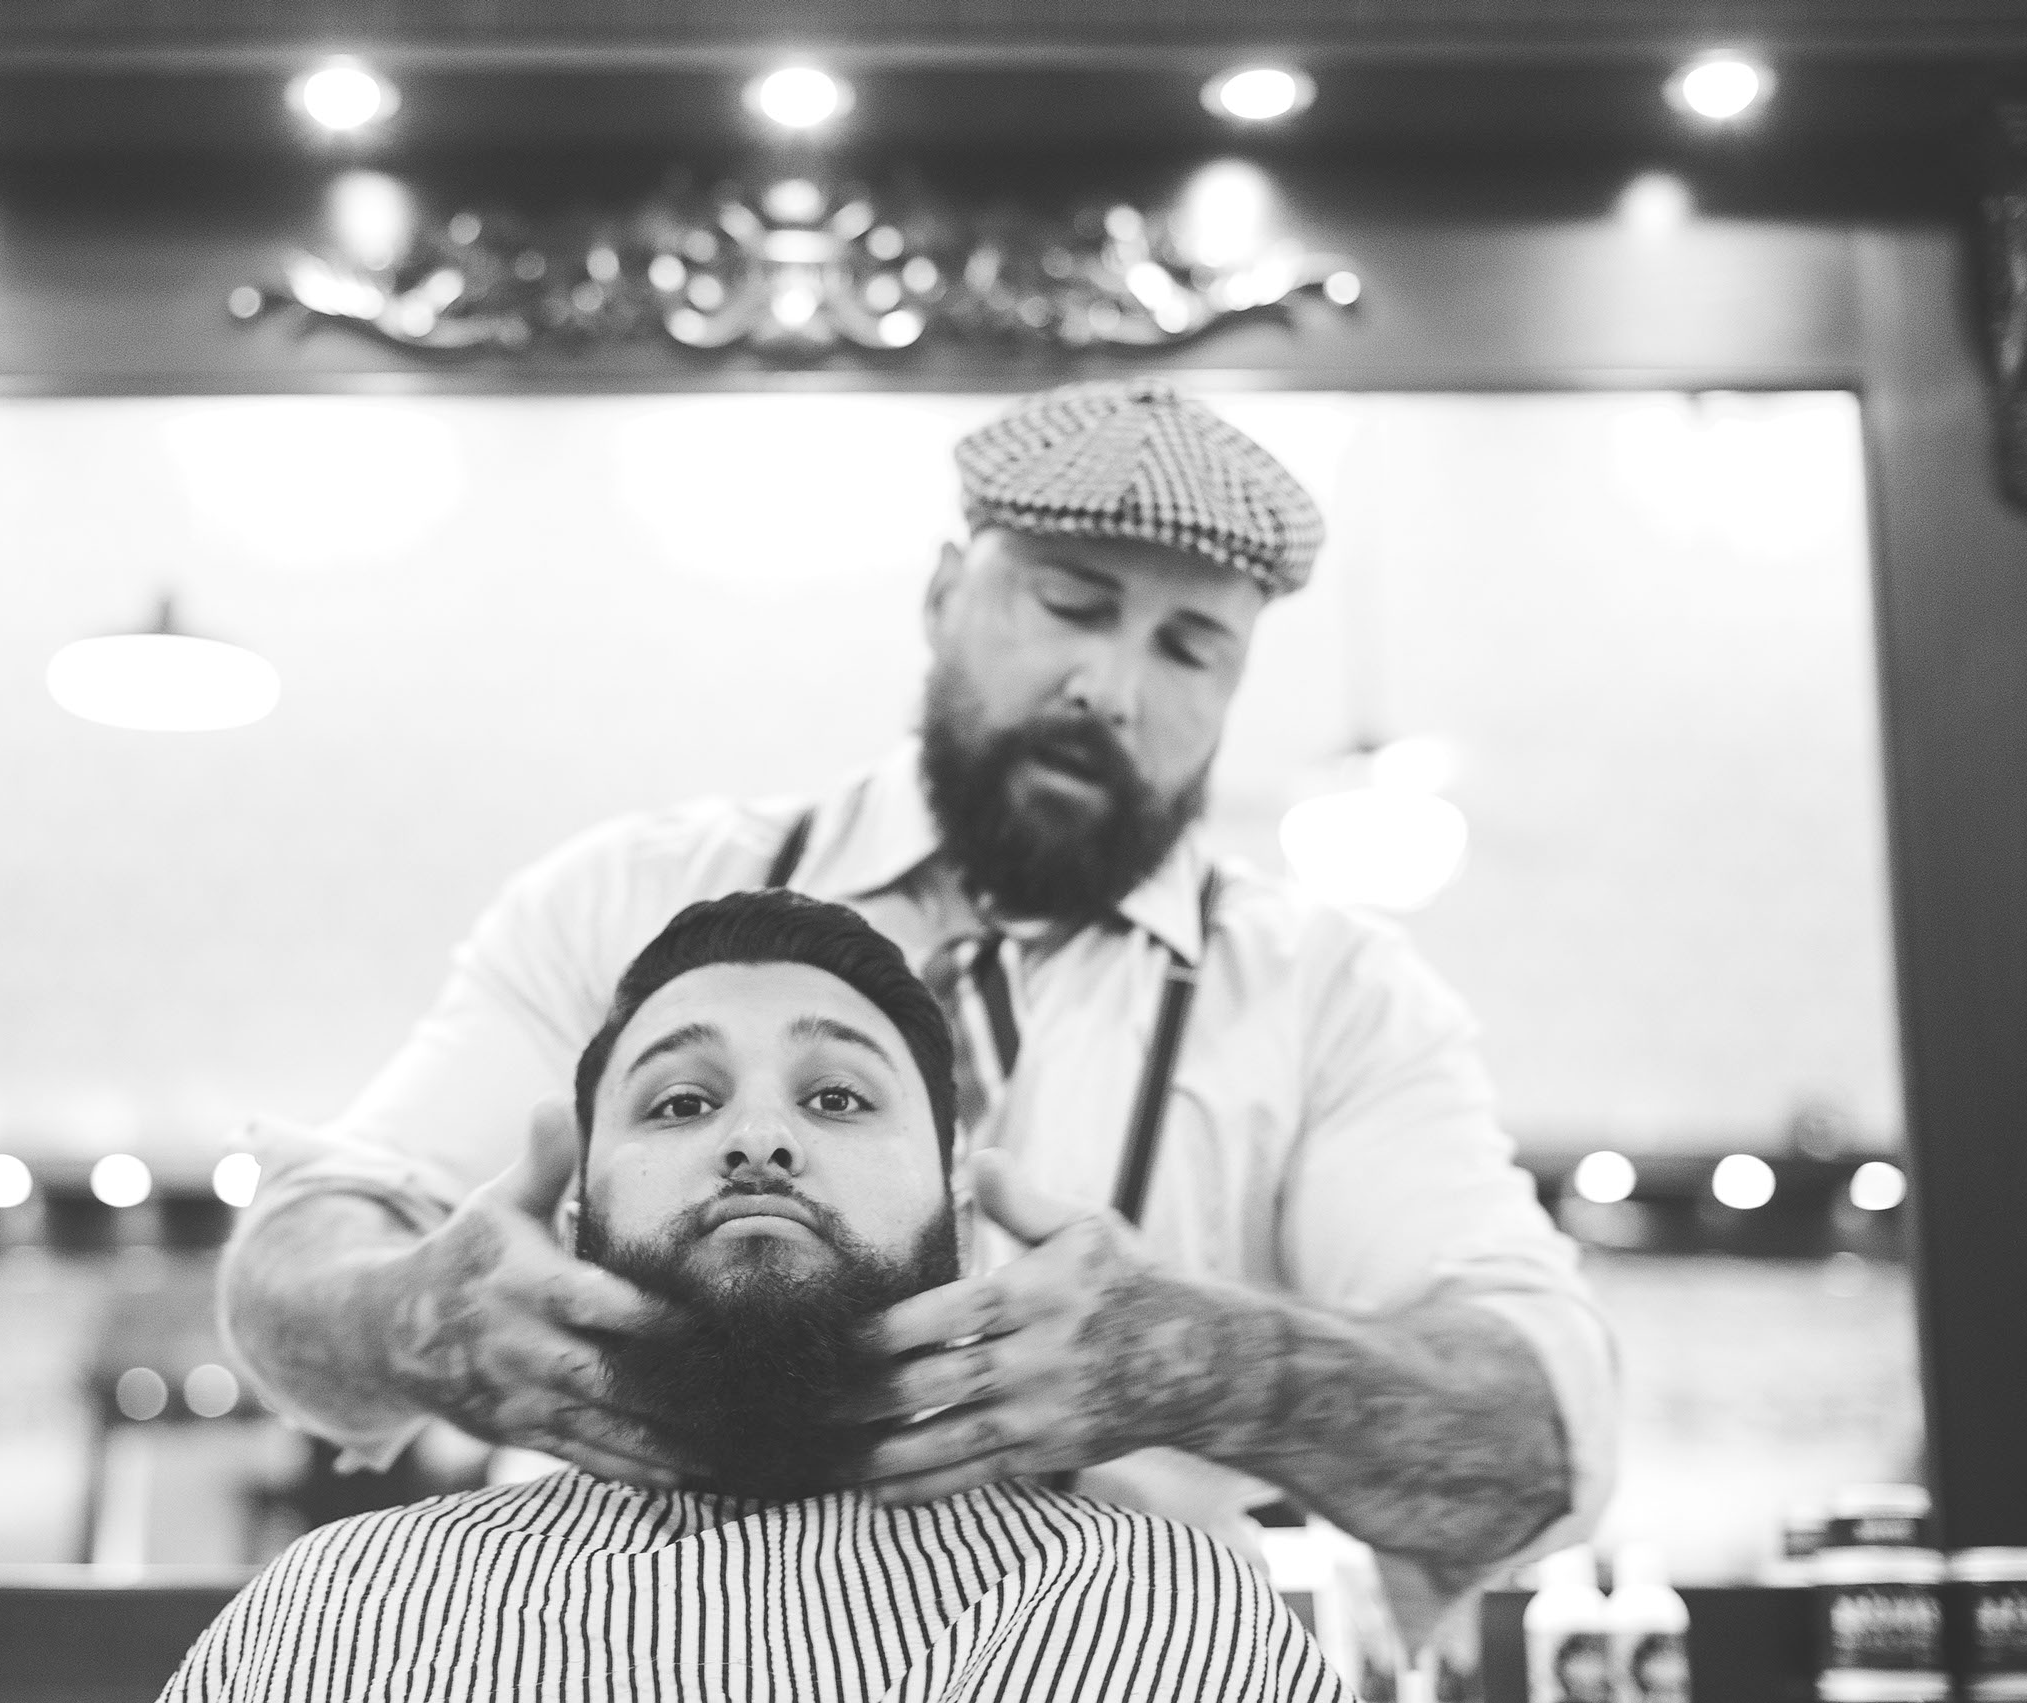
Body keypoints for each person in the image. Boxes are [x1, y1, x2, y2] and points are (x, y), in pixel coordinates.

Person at [222, 376, 1615, 1637]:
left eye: (1190, 647)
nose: (1110, 688)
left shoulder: (1332, 1001)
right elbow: (293, 1270)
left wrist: (1210, 1364)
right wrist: (410, 1313)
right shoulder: (628, 899)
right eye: (1071, 603)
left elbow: (1541, 1449)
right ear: (946, 592)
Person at [162, 892, 1360, 1703]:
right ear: (575, 1215)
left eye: (837, 1096)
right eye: (680, 1101)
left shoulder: (1153, 1612)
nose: (758, 1138)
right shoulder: (354, 1612)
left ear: (957, 1208)